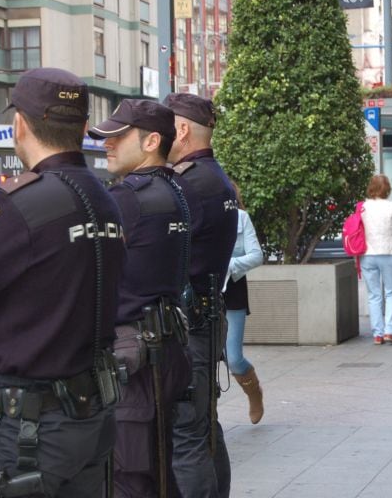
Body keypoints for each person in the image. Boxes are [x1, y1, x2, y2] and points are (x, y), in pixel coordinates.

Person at [0, 68, 125, 497]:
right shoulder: (107, 200)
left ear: (19, 124)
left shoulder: (24, 205)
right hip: (89, 421)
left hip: (28, 433)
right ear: (84, 128)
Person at [88, 99, 192, 497]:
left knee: (130, 480)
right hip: (162, 348)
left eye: (118, 136)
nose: (107, 145)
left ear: (151, 141)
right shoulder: (175, 188)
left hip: (135, 358)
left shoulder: (128, 197)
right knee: (159, 473)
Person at [163, 92, 238, 498]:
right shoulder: (213, 177)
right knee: (202, 427)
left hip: (191, 324)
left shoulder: (189, 183)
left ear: (183, 129)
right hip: (206, 317)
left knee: (187, 433)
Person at [224, 181, 265, 423]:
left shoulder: (241, 218)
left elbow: (256, 255)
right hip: (201, 290)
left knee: (233, 357)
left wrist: (228, 266)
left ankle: (254, 392)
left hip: (233, 288)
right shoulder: (196, 214)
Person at [360, 174, 392, 345]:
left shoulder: (363, 207)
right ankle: (390, 330)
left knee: (373, 295)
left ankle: (377, 333)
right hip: (389, 253)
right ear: (387, 189)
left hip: (368, 254)